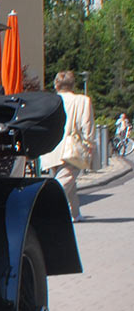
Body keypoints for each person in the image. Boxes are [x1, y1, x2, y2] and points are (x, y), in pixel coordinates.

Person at [40, 70, 95, 221]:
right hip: (71, 147)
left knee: (67, 181)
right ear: (73, 84)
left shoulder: (49, 100)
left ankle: (74, 213)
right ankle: (43, 209)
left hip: (50, 147)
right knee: (63, 182)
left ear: (56, 85)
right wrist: (89, 144)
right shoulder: (82, 100)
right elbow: (87, 125)